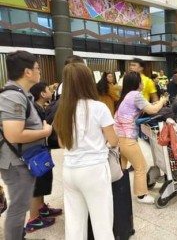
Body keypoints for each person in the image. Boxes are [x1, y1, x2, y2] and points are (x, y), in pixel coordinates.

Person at [53, 63, 117, 240]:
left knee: (74, 224)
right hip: (94, 170)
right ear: (89, 81)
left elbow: (62, 143)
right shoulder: (98, 108)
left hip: (70, 170)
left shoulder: (63, 110)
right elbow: (113, 140)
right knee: (102, 223)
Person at [0, 51, 53, 240]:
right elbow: (13, 134)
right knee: (19, 207)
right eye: (37, 68)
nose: (40, 72)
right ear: (27, 72)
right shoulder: (13, 96)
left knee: (20, 204)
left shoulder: (22, 94)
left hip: (23, 159)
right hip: (15, 162)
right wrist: (45, 132)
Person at [114, 73, 169, 205]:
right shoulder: (135, 95)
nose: (143, 83)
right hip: (128, 138)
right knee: (140, 167)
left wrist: (155, 103)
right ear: (137, 83)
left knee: (122, 167)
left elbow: (145, 107)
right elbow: (152, 110)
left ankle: (118, 191)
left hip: (119, 137)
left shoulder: (126, 96)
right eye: (141, 81)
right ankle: (141, 195)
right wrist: (162, 101)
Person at [26, 82, 62, 232]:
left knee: (43, 180)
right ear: (42, 94)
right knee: (37, 183)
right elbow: (40, 129)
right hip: (35, 151)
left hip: (41, 149)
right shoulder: (35, 109)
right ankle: (33, 219)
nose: (51, 91)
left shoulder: (40, 107)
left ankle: (41, 208)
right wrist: (47, 130)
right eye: (48, 90)